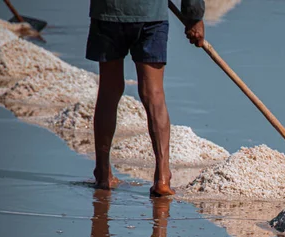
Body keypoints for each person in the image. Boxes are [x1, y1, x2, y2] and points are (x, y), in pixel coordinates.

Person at [86, 0, 205, 196]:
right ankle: (162, 177)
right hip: (150, 14)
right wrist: (194, 16)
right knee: (154, 94)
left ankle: (103, 173)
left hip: (108, 11)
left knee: (109, 90)